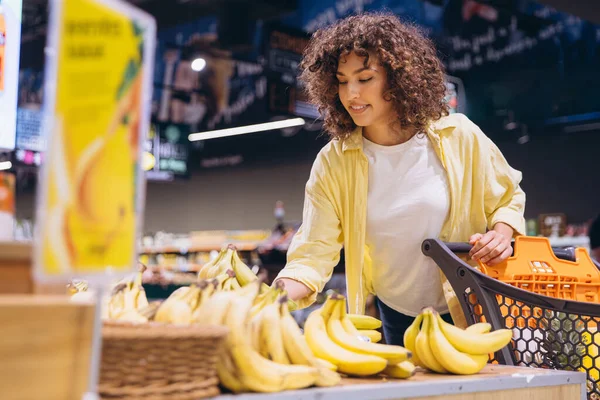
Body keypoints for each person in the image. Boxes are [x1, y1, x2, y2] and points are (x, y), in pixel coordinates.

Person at [273, 12, 526, 346]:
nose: (351, 93)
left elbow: (507, 197)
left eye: (364, 79)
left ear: (397, 77)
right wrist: (272, 298)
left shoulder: (459, 136)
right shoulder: (334, 163)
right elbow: (313, 252)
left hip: (473, 305)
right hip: (395, 314)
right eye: (342, 80)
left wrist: (501, 234)